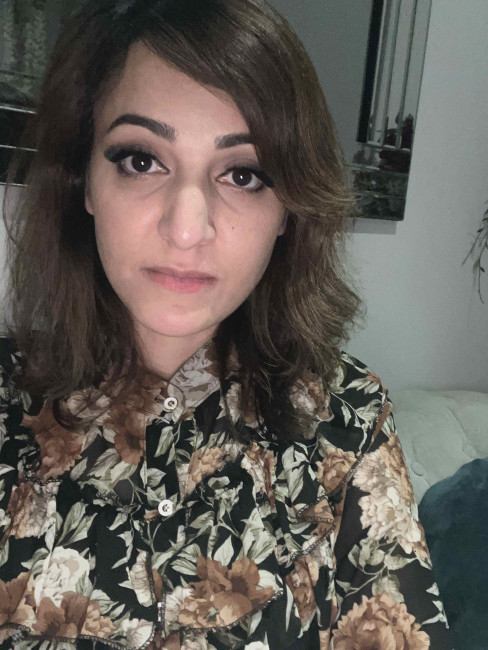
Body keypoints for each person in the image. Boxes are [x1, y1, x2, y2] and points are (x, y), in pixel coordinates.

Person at [0, 0, 451, 648]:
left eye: (243, 174)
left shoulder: (349, 422)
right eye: (141, 160)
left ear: (289, 208)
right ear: (86, 183)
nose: (187, 228)